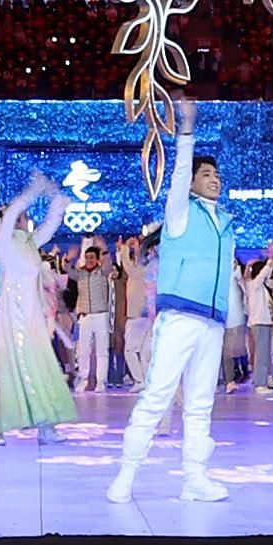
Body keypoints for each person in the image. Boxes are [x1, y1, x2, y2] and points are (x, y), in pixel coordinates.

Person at [103, 122, 246, 507]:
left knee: (201, 402)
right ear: (192, 184)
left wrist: (232, 322)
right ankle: (126, 474)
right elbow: (180, 174)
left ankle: (195, 478)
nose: (213, 179)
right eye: (205, 175)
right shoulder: (181, 213)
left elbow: (228, 278)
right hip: (180, 316)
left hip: (211, 322)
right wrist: (186, 135)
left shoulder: (226, 225)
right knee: (157, 394)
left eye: (216, 175)